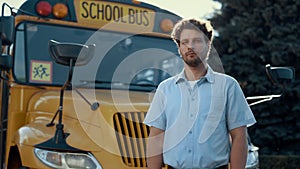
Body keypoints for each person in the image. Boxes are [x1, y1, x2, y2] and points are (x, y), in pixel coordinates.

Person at [143, 18, 256, 169]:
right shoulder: (165, 89)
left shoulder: (228, 86)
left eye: (196, 41)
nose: (190, 46)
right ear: (179, 47)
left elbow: (239, 136)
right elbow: (156, 139)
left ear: (208, 44)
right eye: (185, 42)